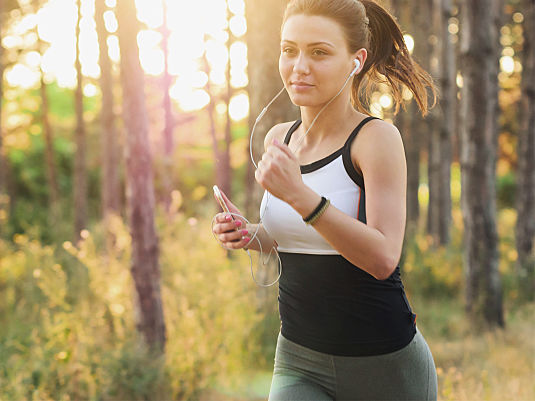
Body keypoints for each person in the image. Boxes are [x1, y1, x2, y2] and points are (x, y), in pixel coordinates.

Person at [212, 0, 439, 399]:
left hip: (384, 364)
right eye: (289, 50)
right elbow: (294, 236)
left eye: (319, 52)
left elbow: (383, 257)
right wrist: (250, 234)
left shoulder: (375, 140)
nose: (299, 66)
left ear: (356, 60)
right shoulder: (278, 138)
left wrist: (300, 196)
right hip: (299, 358)